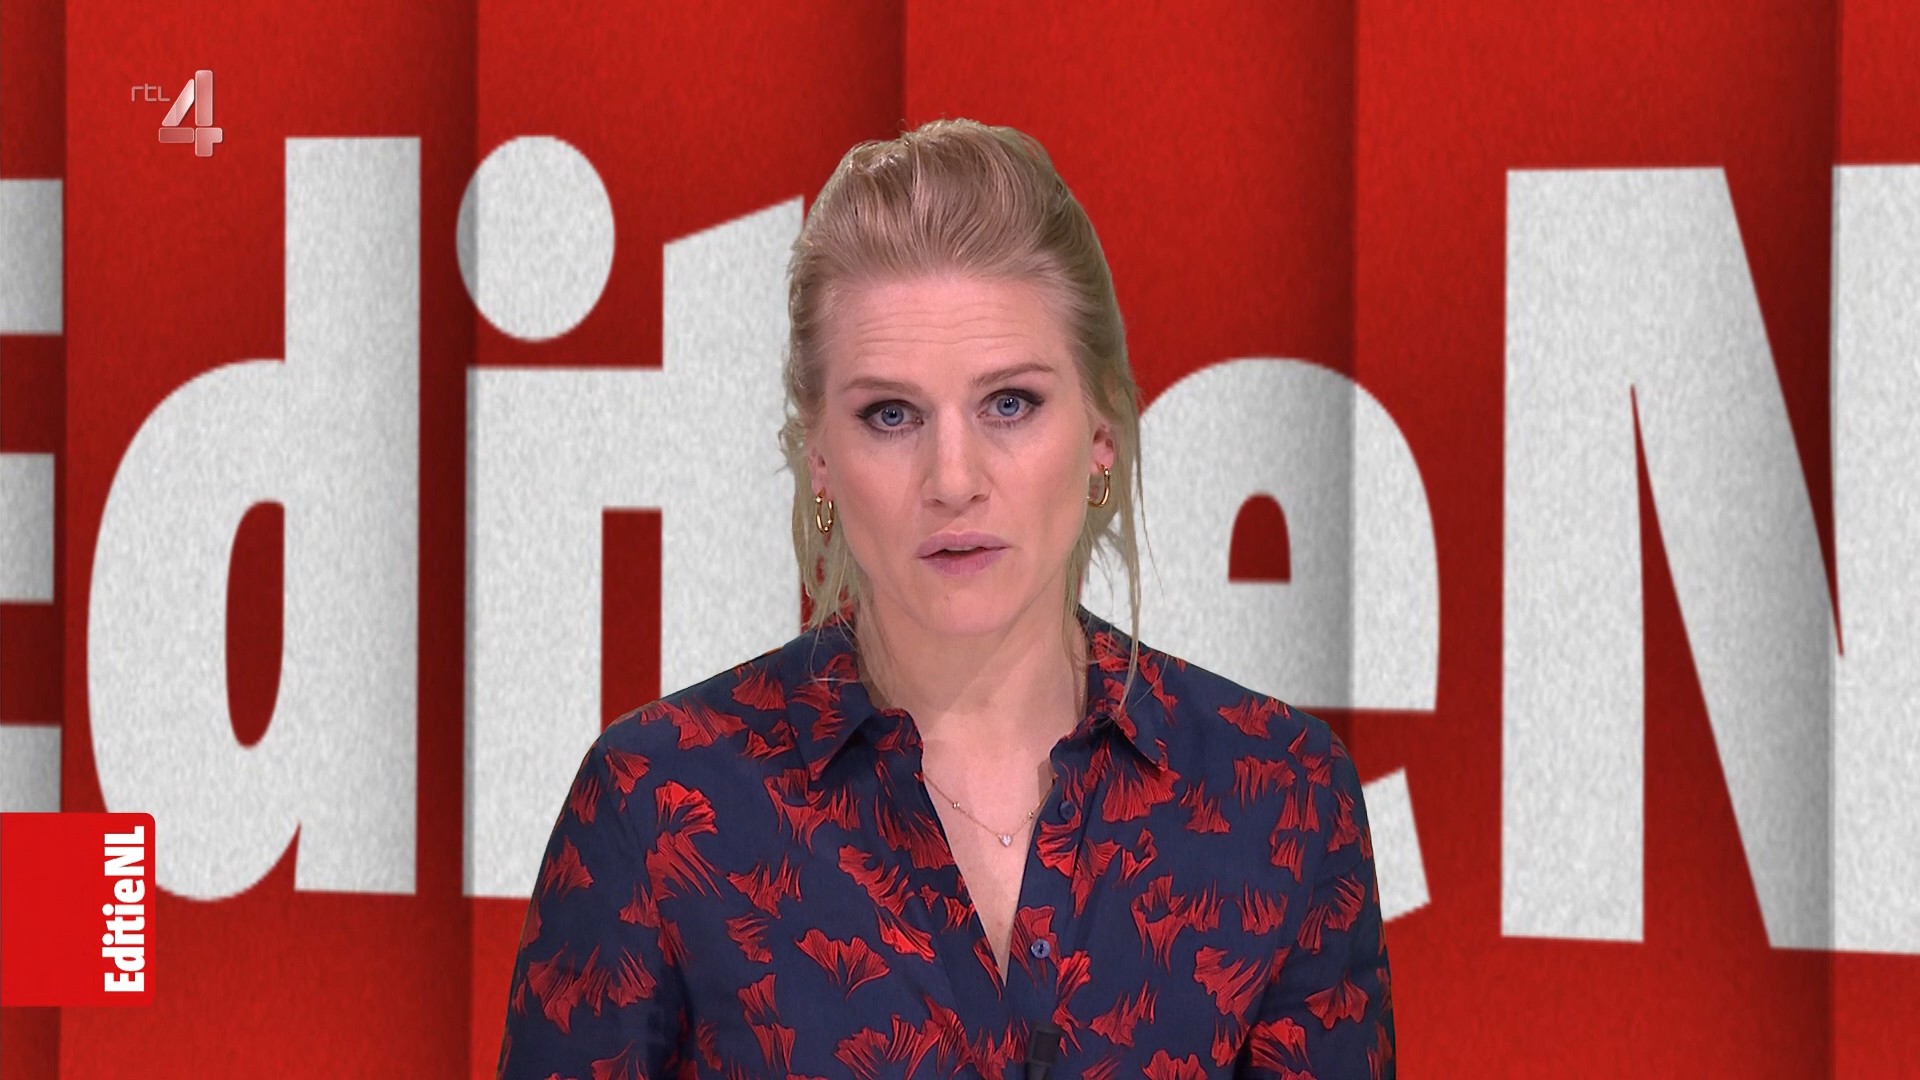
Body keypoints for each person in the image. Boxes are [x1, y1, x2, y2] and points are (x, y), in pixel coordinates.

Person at [496, 117, 1395, 1080]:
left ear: (1100, 436)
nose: (953, 478)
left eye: (1010, 403)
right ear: (821, 460)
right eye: (891, 415)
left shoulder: (1282, 797)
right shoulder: (656, 804)